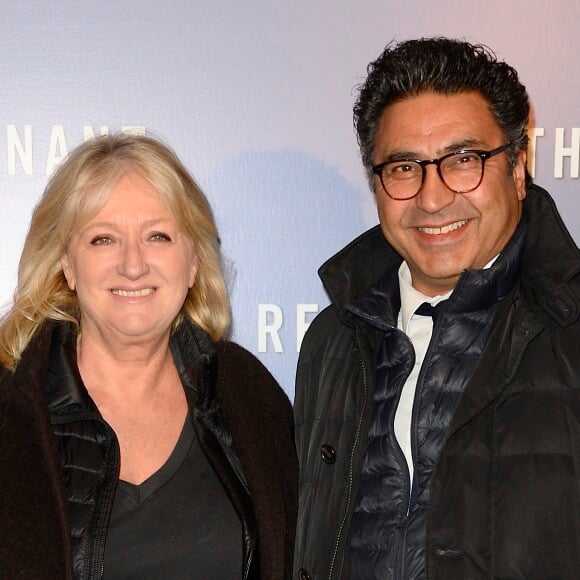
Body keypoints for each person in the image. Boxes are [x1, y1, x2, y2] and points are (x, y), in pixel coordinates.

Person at [293, 37, 580, 579]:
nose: (432, 197)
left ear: (518, 168)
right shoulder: (334, 339)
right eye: (405, 168)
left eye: (463, 160)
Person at [0, 133, 297, 579]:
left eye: (158, 236)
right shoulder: (11, 415)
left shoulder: (247, 394)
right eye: (103, 239)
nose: (133, 265)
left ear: (194, 260)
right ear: (67, 263)